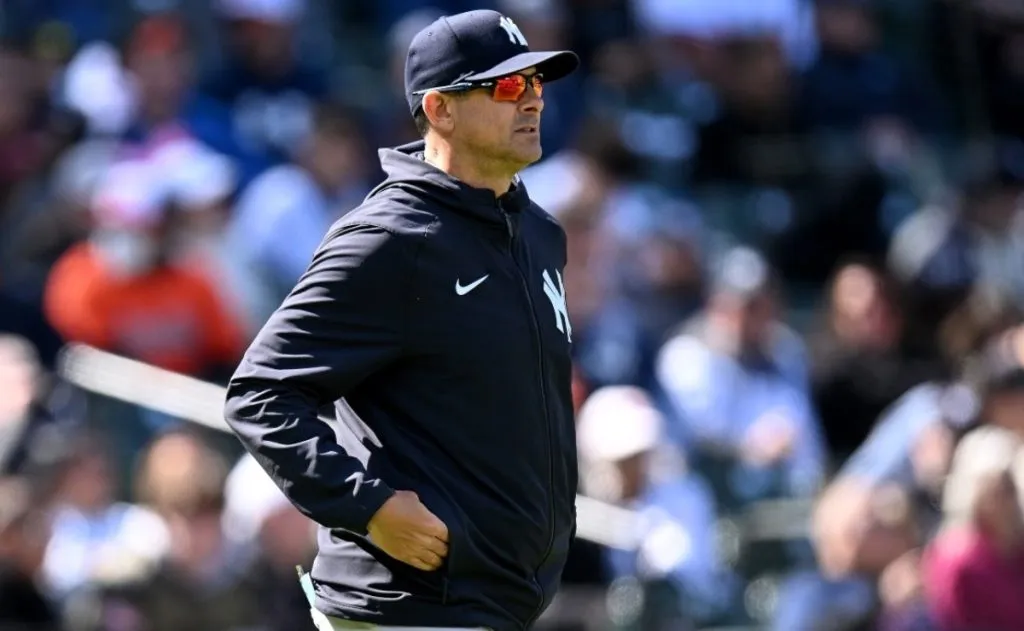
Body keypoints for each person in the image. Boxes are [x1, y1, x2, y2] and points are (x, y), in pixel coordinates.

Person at [223, 9, 580, 631]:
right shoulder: (391, 239)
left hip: (494, 606)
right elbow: (261, 393)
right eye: (506, 86)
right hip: (404, 608)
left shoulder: (540, 234)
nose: (532, 102)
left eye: (537, 84)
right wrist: (368, 508)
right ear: (439, 109)